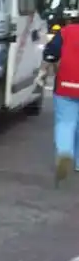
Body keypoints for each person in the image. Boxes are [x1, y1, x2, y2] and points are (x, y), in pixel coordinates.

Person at [43, 12, 79, 185]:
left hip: (66, 85)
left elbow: (50, 53)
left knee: (65, 122)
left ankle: (65, 151)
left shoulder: (66, 32)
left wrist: (45, 70)